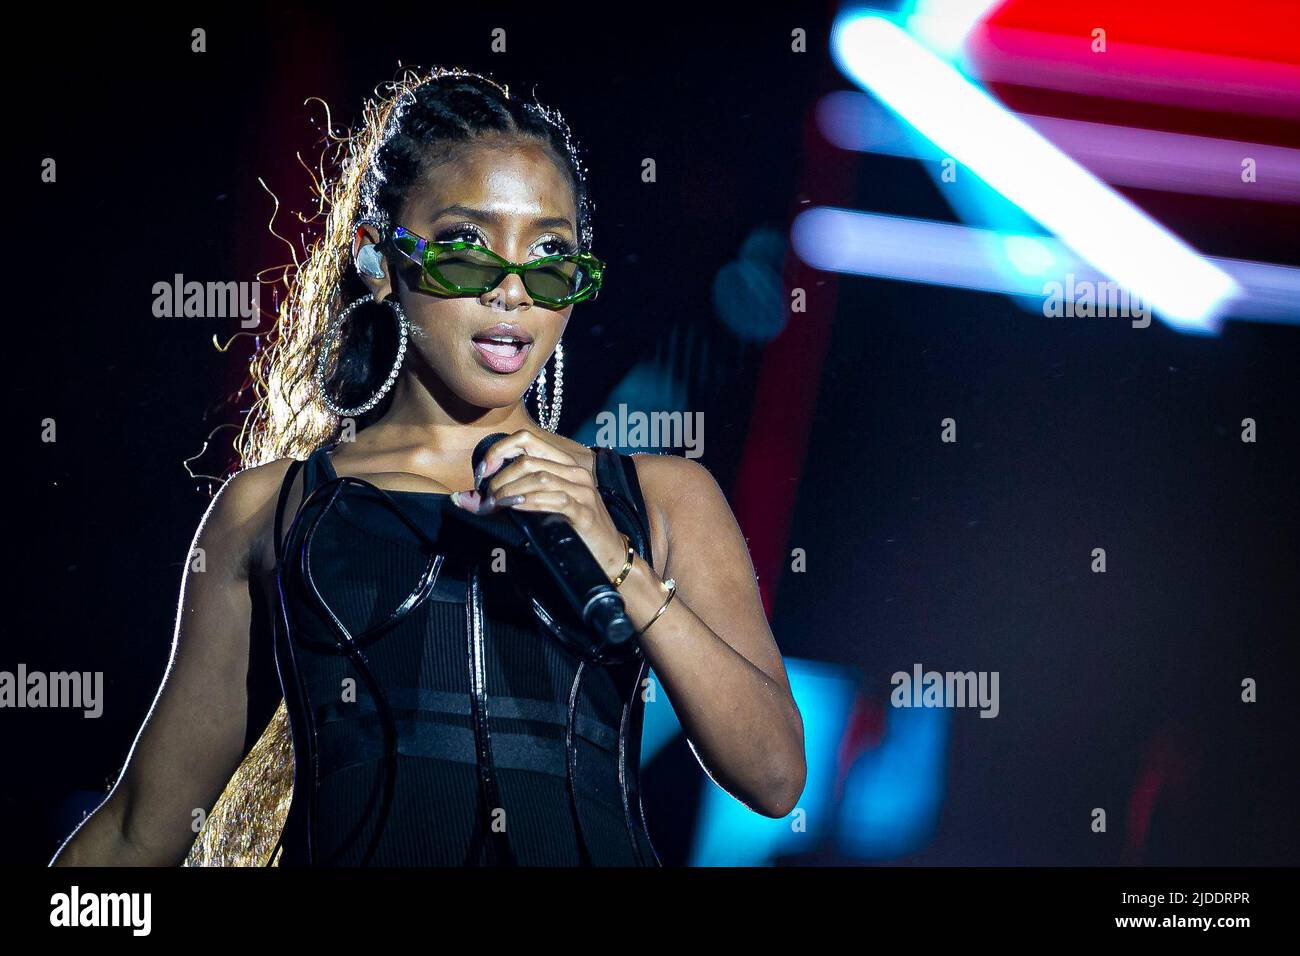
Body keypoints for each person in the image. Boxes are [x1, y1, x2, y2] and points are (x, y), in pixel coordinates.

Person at [50, 66, 805, 867]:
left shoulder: (658, 499)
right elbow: (141, 828)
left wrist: (618, 562)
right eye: (468, 251)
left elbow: (775, 777)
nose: (513, 291)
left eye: (551, 256)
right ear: (378, 260)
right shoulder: (273, 511)